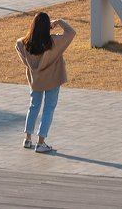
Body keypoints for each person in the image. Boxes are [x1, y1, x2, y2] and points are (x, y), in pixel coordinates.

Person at [15, 11, 74, 154]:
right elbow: (71, 32)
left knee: (33, 106)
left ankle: (27, 138)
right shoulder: (54, 42)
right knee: (48, 109)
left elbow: (18, 43)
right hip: (52, 80)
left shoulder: (24, 44)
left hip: (36, 81)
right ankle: (41, 142)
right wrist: (59, 21)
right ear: (49, 26)